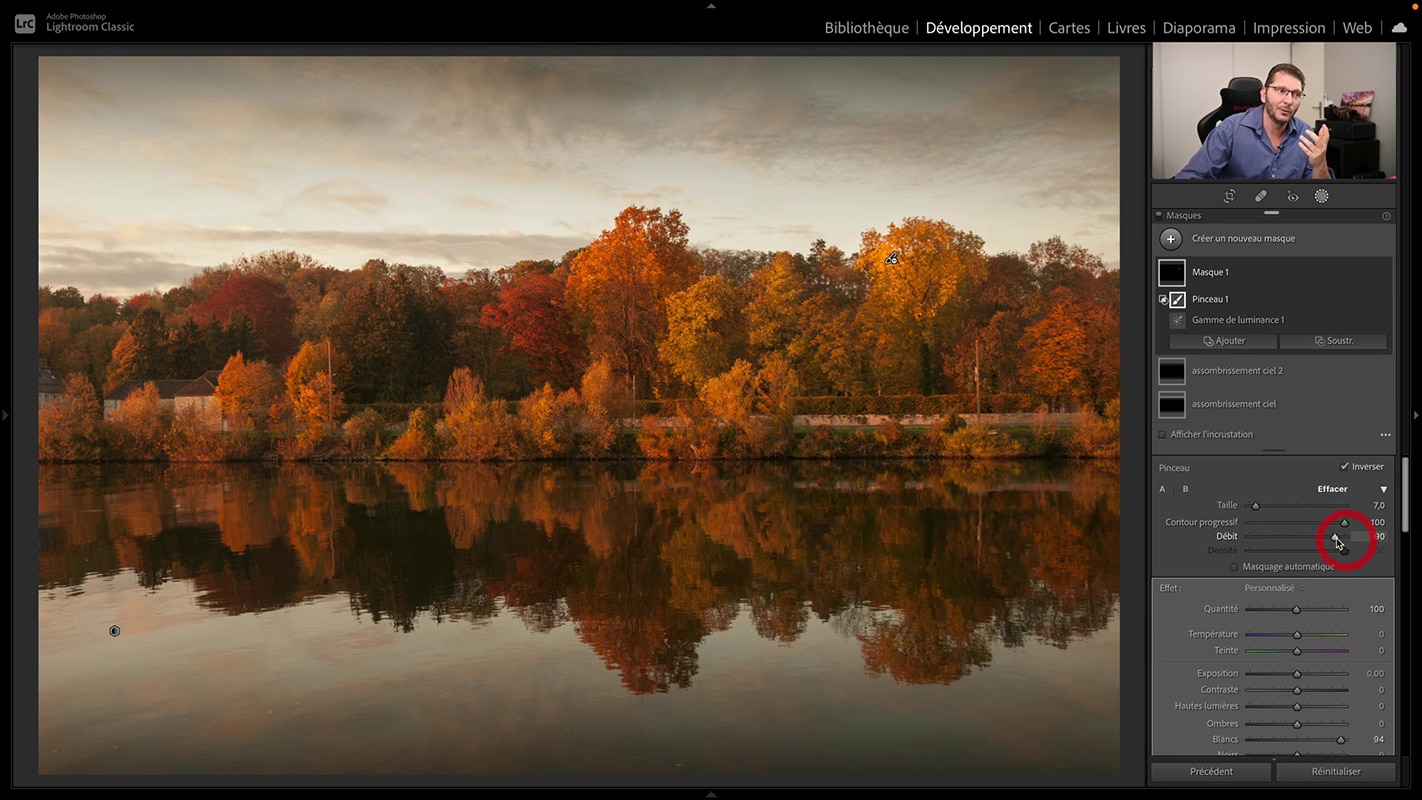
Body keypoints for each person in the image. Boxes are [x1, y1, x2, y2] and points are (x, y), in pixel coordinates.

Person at [1175, 64, 1332, 180]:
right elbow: (1192, 177)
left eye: (1296, 94)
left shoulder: (1306, 135)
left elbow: (1322, 196)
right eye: (1281, 91)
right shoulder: (1230, 130)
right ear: (1264, 94)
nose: (1289, 101)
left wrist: (1320, 164)